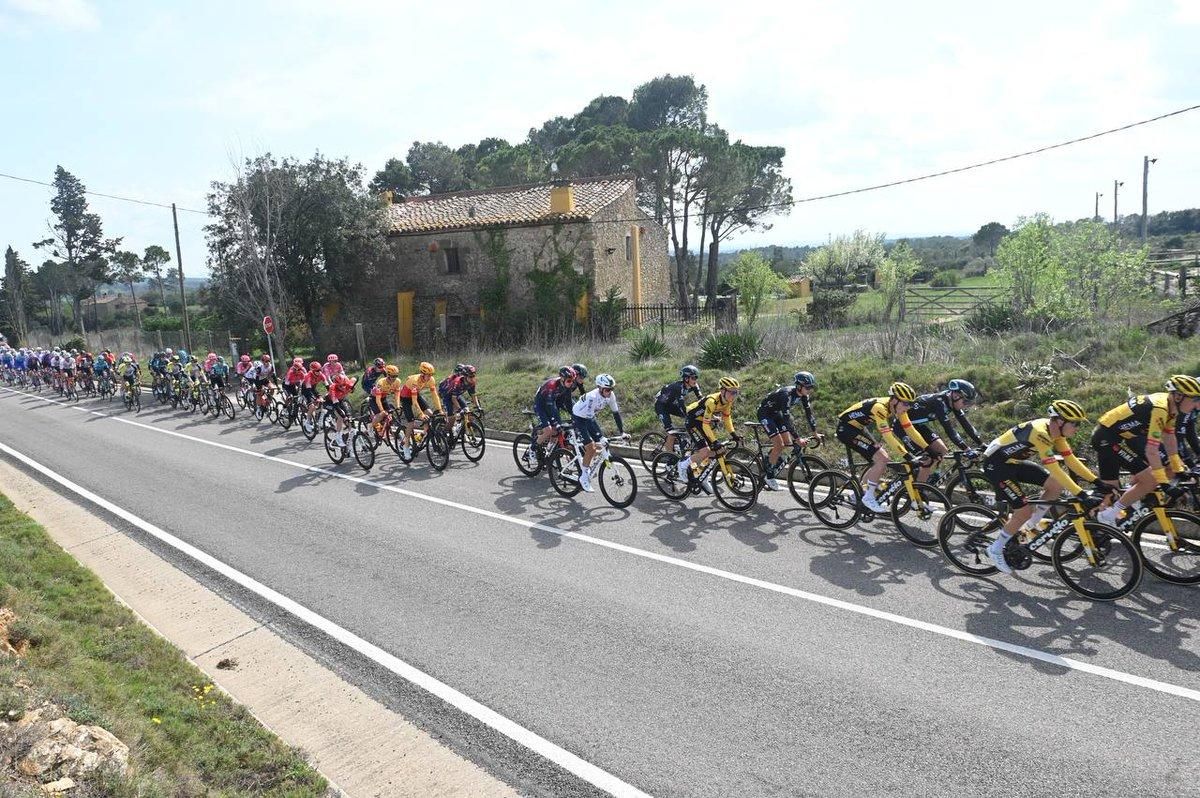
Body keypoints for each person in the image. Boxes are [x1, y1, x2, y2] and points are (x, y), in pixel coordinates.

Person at [981, 400, 1102, 574]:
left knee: (1055, 486)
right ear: (1059, 421)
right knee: (1023, 511)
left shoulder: (1056, 433)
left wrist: (1096, 481)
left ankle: (1028, 527)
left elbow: (1070, 460)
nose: (1077, 427)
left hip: (1012, 463)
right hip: (996, 466)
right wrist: (1081, 494)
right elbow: (1055, 469)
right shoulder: (1041, 433)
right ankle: (996, 548)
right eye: (1075, 423)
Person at [1093, 375, 1200, 526]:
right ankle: (1109, 515)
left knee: (1167, 469)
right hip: (1106, 438)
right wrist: (1164, 483)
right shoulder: (1160, 408)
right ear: (1178, 396)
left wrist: (1178, 468)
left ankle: (1132, 496)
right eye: (1195, 400)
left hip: (1127, 436)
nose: (1197, 406)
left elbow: (1169, 437)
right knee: (1149, 479)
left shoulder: (1172, 407)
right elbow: (1152, 450)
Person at [835, 382, 931, 513]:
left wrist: (927, 448)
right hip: (846, 429)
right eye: (905, 403)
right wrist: (906, 455)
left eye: (910, 404)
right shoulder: (879, 407)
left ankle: (857, 494)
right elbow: (888, 436)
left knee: (879, 459)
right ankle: (868, 498)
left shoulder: (897, 407)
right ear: (894, 400)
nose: (908, 407)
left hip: (858, 428)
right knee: (882, 459)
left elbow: (910, 430)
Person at [898, 378, 984, 483]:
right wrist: (967, 449)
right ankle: (917, 491)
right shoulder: (938, 402)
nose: (966, 405)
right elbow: (950, 431)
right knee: (927, 460)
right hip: (902, 427)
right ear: (956, 396)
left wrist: (981, 443)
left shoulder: (952, 402)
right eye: (965, 401)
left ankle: (931, 477)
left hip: (917, 426)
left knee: (942, 450)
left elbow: (966, 425)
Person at [756, 371, 821, 491]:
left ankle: (769, 459)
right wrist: (798, 438)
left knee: (787, 443)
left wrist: (815, 432)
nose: (810, 390)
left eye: (811, 387)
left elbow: (809, 414)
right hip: (765, 413)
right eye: (807, 387)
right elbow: (787, 420)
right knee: (779, 444)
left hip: (776, 413)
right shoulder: (786, 395)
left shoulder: (804, 395)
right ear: (799, 386)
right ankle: (769, 476)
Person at [676, 377, 742, 494]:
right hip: (692, 421)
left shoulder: (727, 401)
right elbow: (706, 426)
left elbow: (727, 418)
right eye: (732, 391)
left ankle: (701, 476)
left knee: (716, 451)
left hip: (702, 421)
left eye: (736, 392)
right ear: (723, 391)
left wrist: (733, 433)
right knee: (705, 451)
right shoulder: (712, 401)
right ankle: (683, 465)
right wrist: (715, 441)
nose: (734, 395)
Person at [571, 373, 627, 492]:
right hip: (579, 418)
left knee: (600, 444)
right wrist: (600, 437)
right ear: (600, 388)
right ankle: (584, 477)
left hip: (589, 417)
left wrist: (622, 432)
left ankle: (586, 462)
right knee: (591, 447)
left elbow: (616, 414)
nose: (609, 392)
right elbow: (588, 420)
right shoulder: (592, 397)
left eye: (611, 389)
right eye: (607, 389)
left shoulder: (610, 395)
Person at [654, 365, 701, 458]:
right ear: (686, 378)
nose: (695, 380)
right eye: (693, 377)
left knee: (693, 418)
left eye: (696, 377)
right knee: (671, 433)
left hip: (670, 405)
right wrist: (689, 417)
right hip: (661, 406)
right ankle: (670, 459)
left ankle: (681, 441)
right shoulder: (678, 387)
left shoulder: (694, 385)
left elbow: (701, 400)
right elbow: (682, 406)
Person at [398, 362, 443, 456]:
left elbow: (435, 396)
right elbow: (414, 402)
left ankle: (422, 434)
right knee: (411, 423)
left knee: (430, 414)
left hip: (416, 395)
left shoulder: (431, 380)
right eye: (428, 375)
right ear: (422, 374)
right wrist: (421, 414)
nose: (430, 377)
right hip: (406, 398)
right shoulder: (415, 381)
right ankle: (406, 446)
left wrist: (440, 409)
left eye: (431, 375)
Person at [530, 367, 578, 454]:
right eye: (569, 381)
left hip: (552, 404)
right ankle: (532, 450)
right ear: (562, 379)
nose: (571, 383)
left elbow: (568, 404)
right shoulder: (551, 385)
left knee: (559, 431)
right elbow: (549, 406)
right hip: (541, 405)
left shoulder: (567, 387)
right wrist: (554, 422)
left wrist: (575, 415)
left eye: (573, 381)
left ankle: (550, 453)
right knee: (548, 430)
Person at [370, 365, 402, 437]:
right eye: (392, 376)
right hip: (374, 399)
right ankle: (370, 426)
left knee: (389, 415)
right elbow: (378, 400)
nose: (394, 378)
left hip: (383, 398)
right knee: (381, 415)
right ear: (388, 375)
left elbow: (397, 395)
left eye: (396, 376)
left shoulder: (397, 381)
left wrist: (397, 405)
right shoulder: (381, 382)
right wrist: (382, 410)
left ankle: (387, 430)